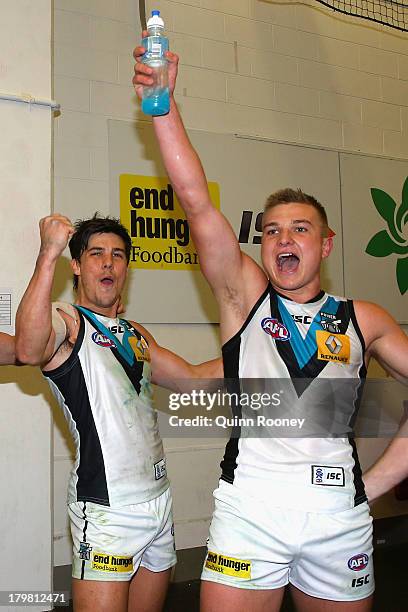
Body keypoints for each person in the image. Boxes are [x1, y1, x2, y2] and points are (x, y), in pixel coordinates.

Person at [133, 45, 408, 612]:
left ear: (325, 245)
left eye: (300, 229)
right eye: (274, 230)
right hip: (250, 512)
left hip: (340, 517)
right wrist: (163, 107)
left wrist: (371, 488)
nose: (284, 238)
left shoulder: (365, 318)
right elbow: (194, 201)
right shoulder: (247, 297)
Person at [15, 213, 221, 612]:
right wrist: (47, 254)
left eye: (117, 255)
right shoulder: (67, 321)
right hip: (108, 511)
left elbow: (194, 380)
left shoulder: (136, 335)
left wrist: (252, 348)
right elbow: (27, 348)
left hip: (158, 503)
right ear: (76, 266)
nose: (108, 262)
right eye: (96, 254)